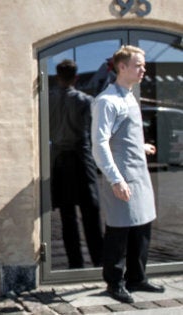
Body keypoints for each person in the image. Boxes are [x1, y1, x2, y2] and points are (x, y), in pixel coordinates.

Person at [91, 45, 164, 304]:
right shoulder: (106, 101)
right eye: (138, 65)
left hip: (139, 173)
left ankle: (137, 277)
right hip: (122, 177)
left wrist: (140, 146)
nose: (143, 69)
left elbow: (120, 136)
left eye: (143, 65)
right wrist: (115, 179)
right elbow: (99, 144)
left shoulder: (130, 96)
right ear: (122, 67)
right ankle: (115, 282)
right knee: (119, 232)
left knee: (141, 228)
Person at [49, 59, 103, 269]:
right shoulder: (85, 100)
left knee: (67, 215)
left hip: (59, 160)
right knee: (91, 212)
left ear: (58, 76)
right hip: (81, 157)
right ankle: (98, 260)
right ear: (76, 77)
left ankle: (75, 263)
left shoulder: (49, 100)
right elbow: (93, 132)